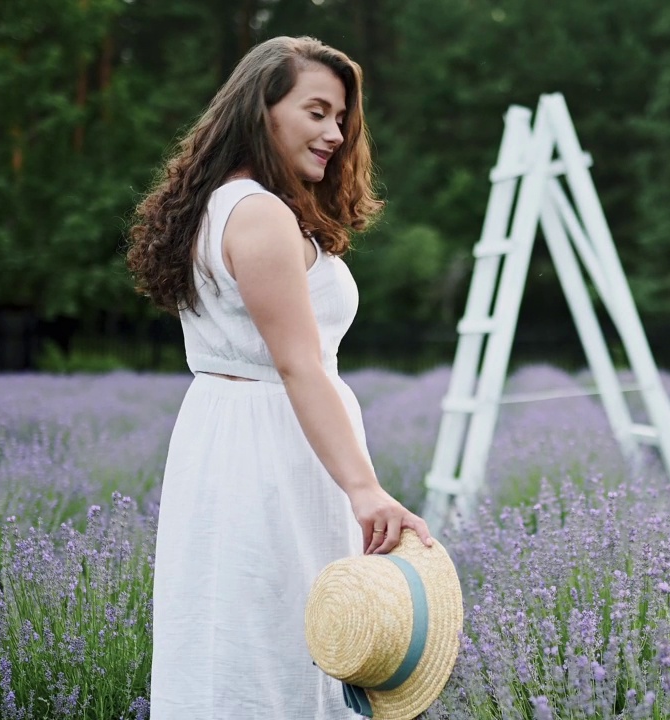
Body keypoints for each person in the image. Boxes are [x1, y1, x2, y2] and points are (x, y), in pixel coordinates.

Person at [125, 35, 434, 719]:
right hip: (270, 447)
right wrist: (366, 492)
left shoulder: (224, 203)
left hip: (236, 437)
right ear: (260, 110)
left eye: (342, 118)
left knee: (239, 629)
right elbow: (297, 364)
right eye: (316, 111)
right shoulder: (259, 214)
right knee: (276, 638)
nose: (335, 133)